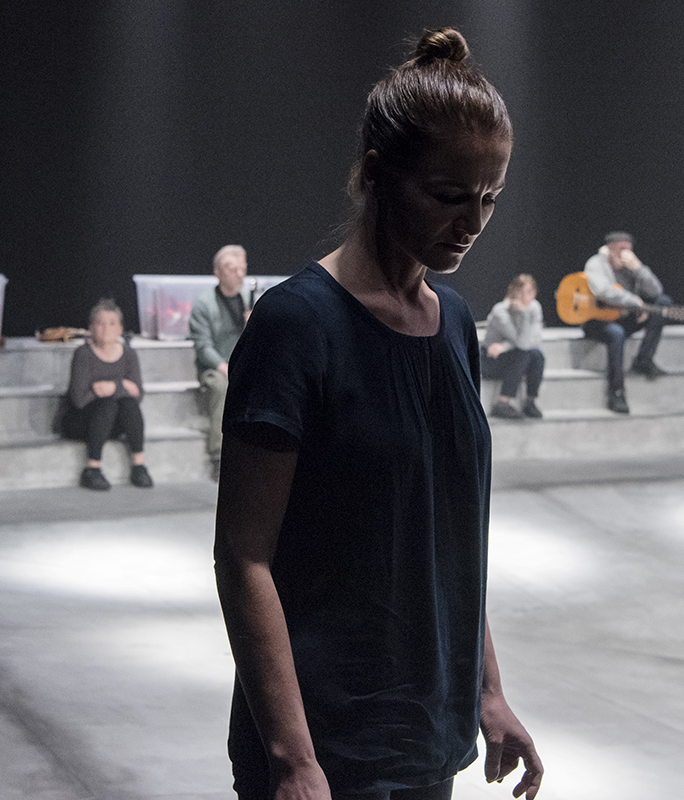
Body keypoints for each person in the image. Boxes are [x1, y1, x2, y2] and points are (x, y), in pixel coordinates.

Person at [214, 28, 543, 800]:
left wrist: (488, 690)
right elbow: (243, 556)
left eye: (489, 198)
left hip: (427, 736)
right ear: (375, 173)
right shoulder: (297, 325)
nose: (472, 221)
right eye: (448, 195)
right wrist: (293, 759)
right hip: (324, 747)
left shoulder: (454, 323)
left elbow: (446, 536)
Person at [61, 299, 153, 491]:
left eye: (112, 323)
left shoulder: (128, 354)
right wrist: (118, 387)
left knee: (128, 404)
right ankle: (92, 469)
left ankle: (139, 466)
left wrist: (111, 386)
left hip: (112, 422)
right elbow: (79, 399)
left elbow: (137, 395)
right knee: (108, 404)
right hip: (81, 420)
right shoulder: (83, 354)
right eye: (100, 323)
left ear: (120, 329)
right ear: (91, 328)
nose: (105, 329)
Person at [580, 231, 675, 414]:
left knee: (663, 303)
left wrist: (638, 268)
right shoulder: (596, 264)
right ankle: (617, 392)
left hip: (622, 317)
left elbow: (656, 291)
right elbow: (604, 291)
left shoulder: (631, 267)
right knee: (616, 334)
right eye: (621, 249)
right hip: (597, 320)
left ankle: (644, 359)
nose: (625, 254)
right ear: (610, 249)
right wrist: (635, 302)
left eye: (629, 250)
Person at [190, 244, 253, 480]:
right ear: (218, 272)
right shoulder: (204, 303)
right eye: (232, 269)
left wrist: (255, 324)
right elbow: (202, 345)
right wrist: (224, 367)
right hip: (215, 367)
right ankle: (219, 456)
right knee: (221, 386)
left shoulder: (251, 300)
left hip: (245, 364)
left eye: (242, 268)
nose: (239, 274)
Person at [482, 274, 545, 419]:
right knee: (523, 354)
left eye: (529, 292)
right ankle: (502, 402)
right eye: (520, 292)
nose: (524, 297)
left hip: (510, 353)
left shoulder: (535, 307)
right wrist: (524, 315)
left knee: (536, 354)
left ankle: (530, 401)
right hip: (491, 359)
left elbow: (534, 340)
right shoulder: (500, 311)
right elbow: (521, 342)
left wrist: (504, 346)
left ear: (534, 293)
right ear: (513, 292)